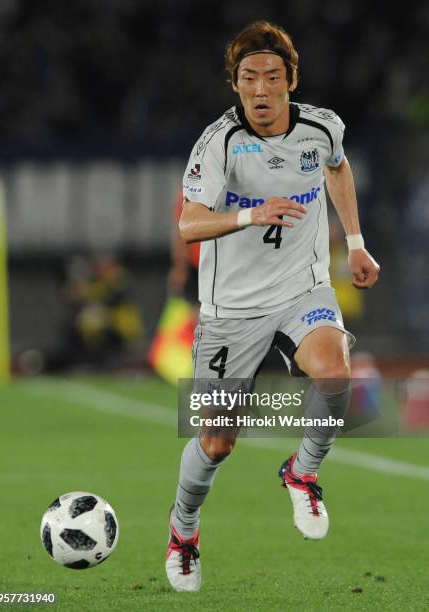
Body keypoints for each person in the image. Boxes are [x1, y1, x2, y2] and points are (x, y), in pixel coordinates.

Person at [165, 20, 380, 592]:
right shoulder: (220, 144)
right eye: (248, 78)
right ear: (235, 85)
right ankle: (184, 528)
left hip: (300, 291)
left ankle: (303, 472)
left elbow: (337, 167)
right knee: (216, 443)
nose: (260, 89)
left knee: (335, 373)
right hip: (229, 312)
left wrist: (355, 243)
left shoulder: (320, 127)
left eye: (272, 77)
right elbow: (188, 224)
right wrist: (249, 214)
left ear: (290, 81)